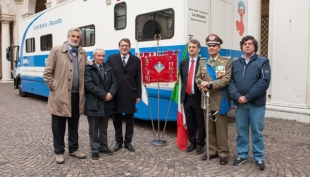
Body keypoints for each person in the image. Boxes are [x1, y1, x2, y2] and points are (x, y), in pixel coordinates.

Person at [43, 28, 87, 164]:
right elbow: (47, 73)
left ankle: (73, 149)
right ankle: (59, 151)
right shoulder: (56, 50)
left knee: (74, 125)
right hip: (60, 96)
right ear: (68, 36)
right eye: (73, 36)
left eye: (77, 37)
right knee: (58, 126)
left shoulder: (82, 52)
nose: (75, 39)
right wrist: (55, 88)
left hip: (76, 96)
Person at [229, 35, 271, 170]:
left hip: (256, 104)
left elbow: (264, 82)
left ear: (255, 47)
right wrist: (237, 96)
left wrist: (247, 97)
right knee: (241, 131)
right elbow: (231, 82)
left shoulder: (262, 61)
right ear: (242, 46)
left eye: (250, 44)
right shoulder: (235, 63)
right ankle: (242, 154)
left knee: (257, 131)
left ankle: (258, 157)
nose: (247, 45)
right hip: (240, 104)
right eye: (245, 43)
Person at [195, 34, 232, 165]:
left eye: (214, 45)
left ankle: (223, 153)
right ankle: (211, 150)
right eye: (209, 46)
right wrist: (201, 84)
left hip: (219, 99)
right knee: (209, 128)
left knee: (221, 129)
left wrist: (209, 85)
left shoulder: (226, 62)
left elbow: (226, 80)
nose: (211, 48)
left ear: (219, 47)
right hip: (206, 99)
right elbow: (197, 77)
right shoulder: (203, 62)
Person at [107, 38, 142, 152]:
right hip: (115, 94)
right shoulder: (112, 59)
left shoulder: (136, 60)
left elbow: (138, 78)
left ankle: (128, 142)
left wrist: (138, 95)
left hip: (130, 94)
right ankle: (118, 142)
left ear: (130, 47)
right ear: (119, 46)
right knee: (116, 119)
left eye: (126, 45)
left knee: (130, 120)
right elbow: (106, 73)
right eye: (122, 45)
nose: (124, 47)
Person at [84, 48, 117, 160]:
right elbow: (88, 85)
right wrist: (104, 95)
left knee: (104, 127)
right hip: (94, 104)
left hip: (106, 104)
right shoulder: (88, 68)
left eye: (103, 56)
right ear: (94, 56)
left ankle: (103, 146)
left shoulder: (109, 68)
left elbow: (114, 82)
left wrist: (111, 94)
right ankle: (95, 149)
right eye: (99, 56)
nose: (101, 58)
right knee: (93, 128)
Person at [180, 39, 206, 154]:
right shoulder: (183, 62)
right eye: (190, 47)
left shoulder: (203, 62)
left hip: (198, 97)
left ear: (198, 49)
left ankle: (201, 143)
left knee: (200, 121)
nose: (191, 49)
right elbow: (183, 78)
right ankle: (192, 142)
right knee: (190, 121)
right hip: (187, 97)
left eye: (194, 47)